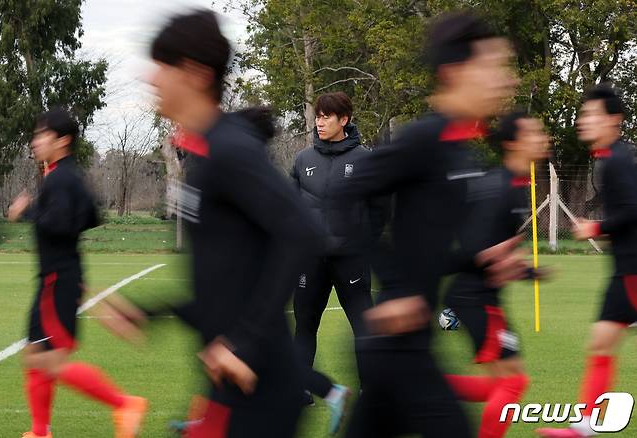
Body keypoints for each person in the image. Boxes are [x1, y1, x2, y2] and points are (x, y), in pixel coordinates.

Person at [327, 12, 525, 437]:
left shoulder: (462, 150)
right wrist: (393, 286)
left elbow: (430, 249)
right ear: (454, 73)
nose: (505, 80)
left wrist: (480, 261)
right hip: (397, 341)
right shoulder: (424, 139)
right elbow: (346, 196)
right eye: (493, 67)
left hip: (405, 343)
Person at [135, 10, 322, 437]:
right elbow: (224, 279)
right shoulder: (203, 156)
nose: (153, 78)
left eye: (164, 66)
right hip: (228, 381)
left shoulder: (230, 149)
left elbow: (301, 232)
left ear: (197, 75)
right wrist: (151, 312)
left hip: (259, 382)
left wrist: (245, 343)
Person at [10, 107, 147, 438]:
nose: (35, 141)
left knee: (51, 362)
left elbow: (59, 224)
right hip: (58, 278)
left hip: (57, 281)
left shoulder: (59, 178)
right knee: (34, 355)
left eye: (42, 135)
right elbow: (89, 214)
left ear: (63, 140)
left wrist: (28, 211)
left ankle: (124, 403)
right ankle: (40, 431)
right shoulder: (64, 174)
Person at [537, 86, 637, 438]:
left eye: (592, 114)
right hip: (623, 270)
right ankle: (584, 428)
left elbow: (633, 210)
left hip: (633, 272)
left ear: (614, 120)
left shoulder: (618, 161)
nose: (584, 121)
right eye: (584, 114)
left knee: (600, 344)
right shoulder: (609, 159)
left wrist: (596, 226)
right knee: (600, 344)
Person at [444, 111, 550, 438]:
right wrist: (501, 257)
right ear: (512, 144)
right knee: (513, 382)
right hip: (474, 298)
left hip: (484, 297)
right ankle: (416, 386)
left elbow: (492, 253)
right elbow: (473, 251)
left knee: (500, 386)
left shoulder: (517, 186)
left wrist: (524, 269)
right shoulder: (499, 188)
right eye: (534, 133)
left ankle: (418, 387)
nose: (543, 138)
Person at [291, 91, 385, 429]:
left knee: (364, 328)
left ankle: (370, 391)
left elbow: (380, 210)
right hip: (310, 260)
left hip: (351, 261)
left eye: (326, 116)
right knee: (304, 326)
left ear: (343, 120)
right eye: (317, 116)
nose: (319, 121)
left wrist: (362, 243)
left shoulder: (365, 159)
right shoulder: (302, 159)